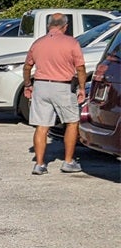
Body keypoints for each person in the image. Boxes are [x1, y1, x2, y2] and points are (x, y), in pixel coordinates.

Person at [22, 13, 87, 175]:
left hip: (41, 86)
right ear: (65, 26)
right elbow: (80, 68)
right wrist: (82, 88)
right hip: (63, 86)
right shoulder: (71, 43)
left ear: (48, 26)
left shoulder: (38, 43)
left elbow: (27, 67)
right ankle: (68, 161)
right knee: (72, 122)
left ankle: (39, 164)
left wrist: (28, 85)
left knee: (41, 126)